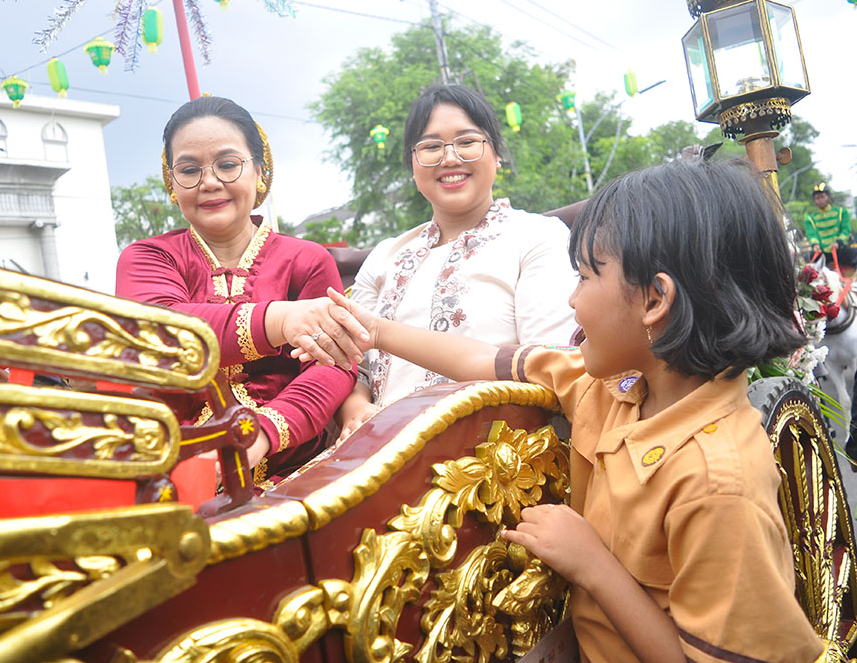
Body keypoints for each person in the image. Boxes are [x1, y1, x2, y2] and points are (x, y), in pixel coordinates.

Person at [311, 160, 825, 662]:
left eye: (582, 278)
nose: (571, 301)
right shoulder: (617, 388)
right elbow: (480, 359)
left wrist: (592, 565)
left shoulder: (717, 484)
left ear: (654, 300)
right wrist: (375, 332)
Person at [115, 96, 364, 491]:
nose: (210, 182)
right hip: (175, 469)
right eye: (189, 170)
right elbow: (161, 334)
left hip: (296, 470)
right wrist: (281, 320)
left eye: (228, 165)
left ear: (259, 171)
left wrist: (261, 434)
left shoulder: (308, 259)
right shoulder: (148, 257)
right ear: (171, 183)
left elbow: (331, 368)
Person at [336, 85, 577, 438]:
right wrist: (357, 410)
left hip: (495, 458)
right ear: (412, 165)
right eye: (431, 147)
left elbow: (548, 367)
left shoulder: (538, 237)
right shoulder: (386, 255)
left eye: (466, 142)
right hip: (379, 448)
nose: (450, 158)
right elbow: (351, 366)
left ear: (497, 154)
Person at [804, 181, 856, 271]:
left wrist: (838, 243)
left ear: (828, 198)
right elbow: (812, 235)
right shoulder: (810, 219)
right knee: (806, 260)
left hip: (839, 250)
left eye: (822, 197)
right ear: (814, 201)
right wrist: (815, 245)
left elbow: (846, 230)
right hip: (822, 253)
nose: (820, 200)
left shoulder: (841, 212)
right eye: (817, 198)